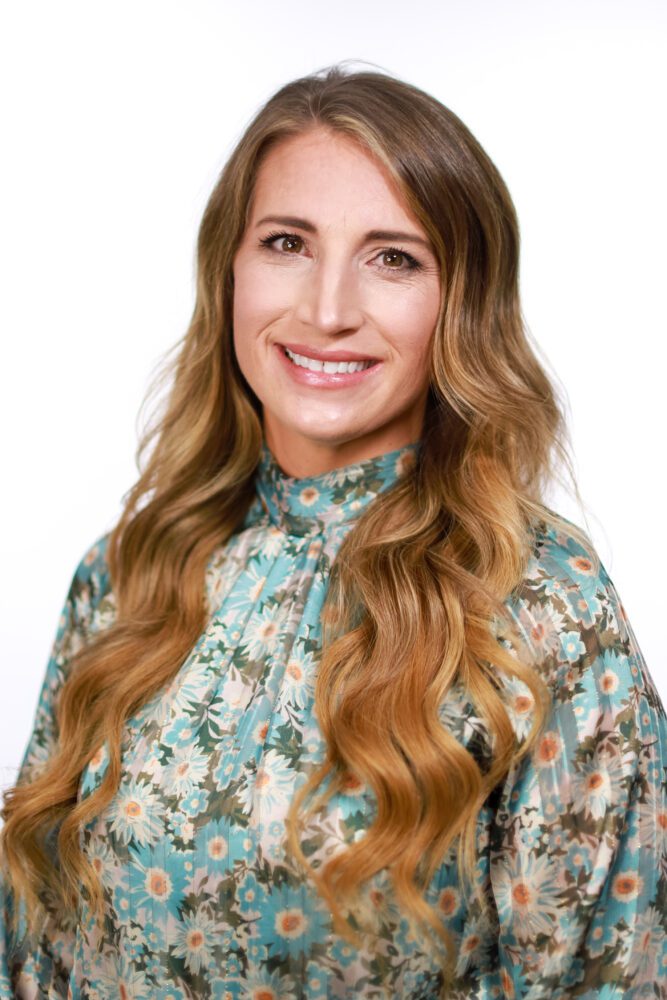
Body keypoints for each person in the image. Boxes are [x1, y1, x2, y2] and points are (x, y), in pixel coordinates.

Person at [1, 63, 665, 1000]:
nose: (325, 310)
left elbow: (606, 975)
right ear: (227, 268)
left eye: (394, 257)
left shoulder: (538, 602)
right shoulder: (127, 573)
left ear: (459, 303)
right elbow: (31, 952)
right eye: (286, 243)